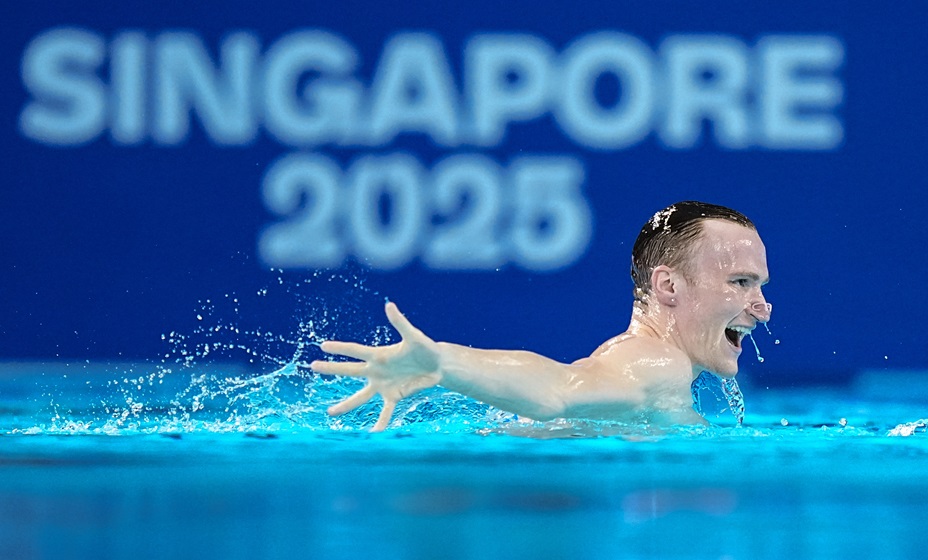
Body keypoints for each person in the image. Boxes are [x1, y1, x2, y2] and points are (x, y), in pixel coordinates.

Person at [310, 201, 772, 431]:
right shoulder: (655, 364)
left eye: (760, 286)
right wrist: (443, 362)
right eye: (740, 282)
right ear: (668, 286)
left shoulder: (647, 361)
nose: (762, 308)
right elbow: (561, 387)